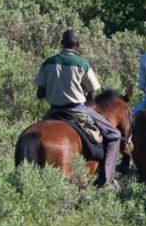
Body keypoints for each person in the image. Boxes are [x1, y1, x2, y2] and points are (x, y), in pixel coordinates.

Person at [35, 29, 121, 188]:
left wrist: (55, 91)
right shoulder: (83, 64)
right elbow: (92, 95)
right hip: (77, 109)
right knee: (114, 135)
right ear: (77, 45)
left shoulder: (48, 63)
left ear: (61, 43)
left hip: (53, 110)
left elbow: (40, 93)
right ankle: (106, 181)